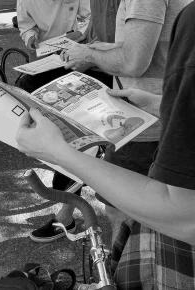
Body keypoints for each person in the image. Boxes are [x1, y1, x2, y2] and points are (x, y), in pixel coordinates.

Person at [17, 3, 195, 288]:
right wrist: (163, 105)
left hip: (146, 135)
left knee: (123, 214)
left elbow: (185, 218)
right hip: (145, 117)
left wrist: (59, 153)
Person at [57, 0, 193, 243]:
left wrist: (88, 53)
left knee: (122, 213)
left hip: (142, 128)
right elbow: (151, 47)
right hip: (158, 113)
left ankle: (128, 272)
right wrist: (105, 50)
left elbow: (133, 62)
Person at [27, 0, 122, 243]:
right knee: (72, 137)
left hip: (125, 86)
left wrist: (89, 56)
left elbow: (133, 57)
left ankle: (127, 243)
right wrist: (76, 48)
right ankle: (67, 213)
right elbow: (92, 33)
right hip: (99, 75)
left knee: (121, 170)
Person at [16, 0, 91, 93]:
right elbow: (26, 26)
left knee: (72, 88)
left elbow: (91, 16)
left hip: (70, 44)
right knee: (40, 89)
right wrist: (29, 36)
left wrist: (81, 32)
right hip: (42, 49)